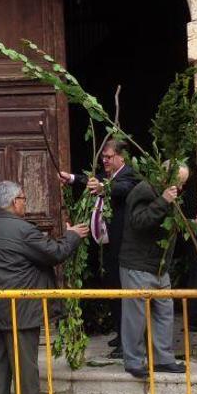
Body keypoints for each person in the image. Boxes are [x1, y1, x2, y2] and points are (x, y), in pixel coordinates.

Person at [0, 181, 88, 394]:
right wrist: (72, 236)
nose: (25, 202)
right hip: (21, 308)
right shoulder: (23, 230)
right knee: (25, 363)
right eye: (24, 198)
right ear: (15, 202)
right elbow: (55, 253)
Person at [59, 139, 139, 358]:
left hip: (121, 245)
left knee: (122, 292)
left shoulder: (128, 176)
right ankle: (120, 333)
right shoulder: (108, 176)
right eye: (103, 157)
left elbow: (123, 189)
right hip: (105, 246)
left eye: (109, 157)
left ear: (121, 157)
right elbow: (92, 181)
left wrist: (104, 187)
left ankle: (127, 341)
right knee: (112, 289)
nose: (104, 160)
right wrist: (73, 178)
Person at [118, 165, 192, 378]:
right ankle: (134, 361)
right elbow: (139, 222)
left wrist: (193, 224)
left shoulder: (167, 193)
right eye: (179, 181)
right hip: (138, 264)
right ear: (165, 175)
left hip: (159, 266)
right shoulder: (144, 190)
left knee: (164, 312)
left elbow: (167, 225)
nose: (180, 186)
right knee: (136, 316)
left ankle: (163, 359)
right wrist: (163, 201)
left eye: (183, 183)